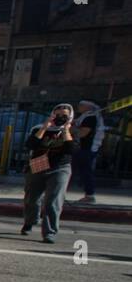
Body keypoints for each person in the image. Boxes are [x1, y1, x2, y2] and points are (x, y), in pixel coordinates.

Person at [22, 103, 75, 244]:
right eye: (57, 115)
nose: (60, 118)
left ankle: (50, 232)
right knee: (32, 198)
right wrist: (45, 127)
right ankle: (30, 221)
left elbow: (71, 150)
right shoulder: (38, 128)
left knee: (53, 200)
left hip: (60, 167)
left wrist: (66, 130)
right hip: (38, 164)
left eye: (64, 116)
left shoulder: (72, 131)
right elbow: (30, 145)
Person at [72, 100, 104, 203]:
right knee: (76, 170)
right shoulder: (85, 116)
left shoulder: (91, 117)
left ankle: (90, 195)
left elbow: (83, 133)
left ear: (88, 107)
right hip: (82, 148)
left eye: (81, 105)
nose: (79, 106)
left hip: (86, 148)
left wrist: (70, 129)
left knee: (85, 171)